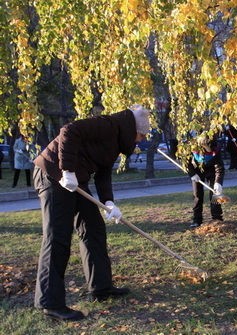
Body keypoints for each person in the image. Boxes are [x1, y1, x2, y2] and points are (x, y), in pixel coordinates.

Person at [32, 104, 150, 321]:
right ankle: (49, 303)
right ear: (133, 129)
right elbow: (69, 130)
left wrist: (109, 202)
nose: (140, 140)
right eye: (141, 135)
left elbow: (103, 173)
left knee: (93, 228)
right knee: (57, 237)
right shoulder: (106, 125)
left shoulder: (115, 143)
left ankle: (100, 287)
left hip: (77, 181)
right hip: (53, 175)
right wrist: (67, 170)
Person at [187, 136, 225, 228]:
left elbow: (219, 167)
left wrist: (218, 182)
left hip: (211, 171)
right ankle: (197, 220)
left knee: (215, 194)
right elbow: (186, 163)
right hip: (197, 171)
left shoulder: (216, 150)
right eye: (205, 148)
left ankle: (217, 219)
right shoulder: (192, 149)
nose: (207, 150)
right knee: (197, 195)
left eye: (209, 149)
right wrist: (192, 174)